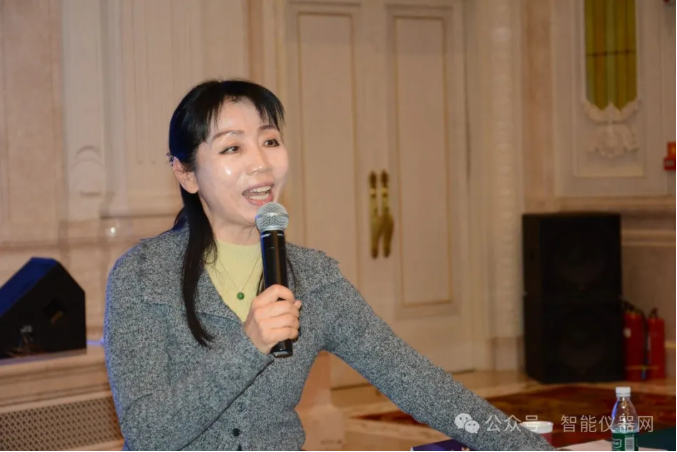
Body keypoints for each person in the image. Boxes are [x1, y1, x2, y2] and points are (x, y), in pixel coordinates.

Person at [103, 79, 553, 451]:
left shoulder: (313, 279)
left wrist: (529, 449)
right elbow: (147, 434)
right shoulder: (143, 277)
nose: (261, 163)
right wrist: (248, 346)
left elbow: (419, 383)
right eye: (232, 148)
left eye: (270, 141)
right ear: (185, 173)